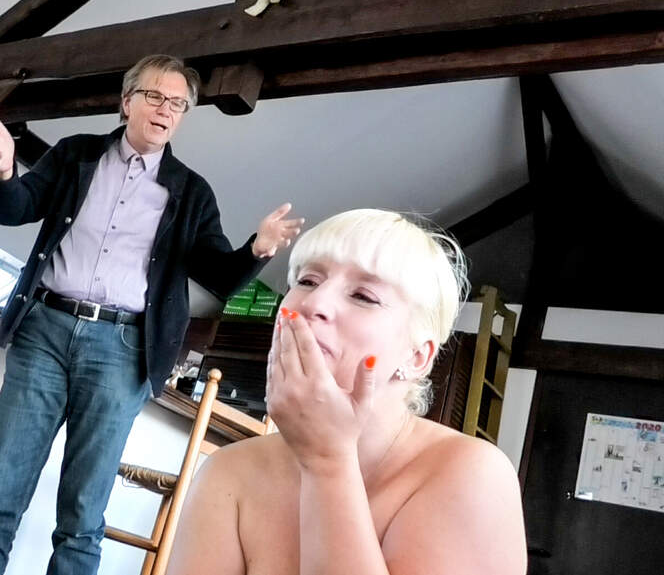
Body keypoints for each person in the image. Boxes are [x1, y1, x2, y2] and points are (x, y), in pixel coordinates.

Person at [0, 54, 303, 575]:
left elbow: (218, 276)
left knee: (81, 518)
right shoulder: (76, 155)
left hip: (120, 351)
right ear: (127, 102)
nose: (165, 110)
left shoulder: (191, 192)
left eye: (178, 104)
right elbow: (15, 209)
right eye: (155, 97)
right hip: (43, 333)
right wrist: (4, 169)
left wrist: (257, 249)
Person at [167, 209, 527, 575]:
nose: (313, 304)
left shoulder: (473, 474)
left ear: (417, 357)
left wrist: (327, 460)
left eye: (364, 296)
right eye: (307, 281)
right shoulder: (229, 472)